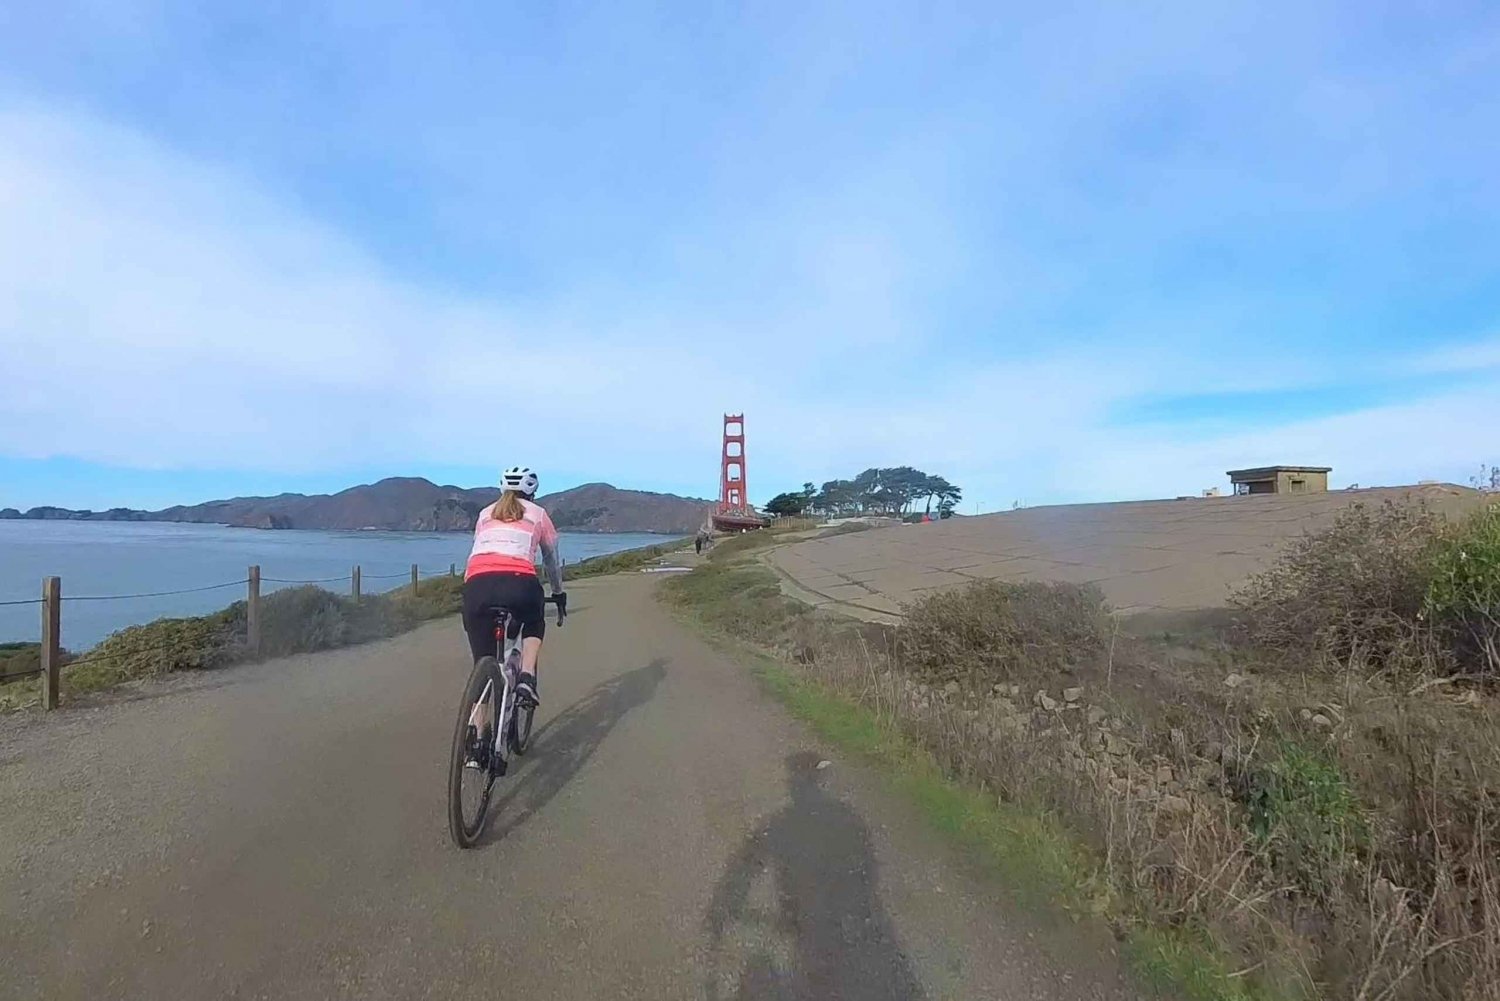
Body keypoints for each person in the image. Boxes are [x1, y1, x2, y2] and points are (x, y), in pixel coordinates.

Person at [461, 466, 565, 707]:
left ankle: (477, 732)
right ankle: (527, 676)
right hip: (520, 584)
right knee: (534, 619)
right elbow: (551, 558)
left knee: (482, 667)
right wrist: (558, 593)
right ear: (532, 492)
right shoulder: (538, 513)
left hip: (476, 586)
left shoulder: (485, 513)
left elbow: (476, 552)